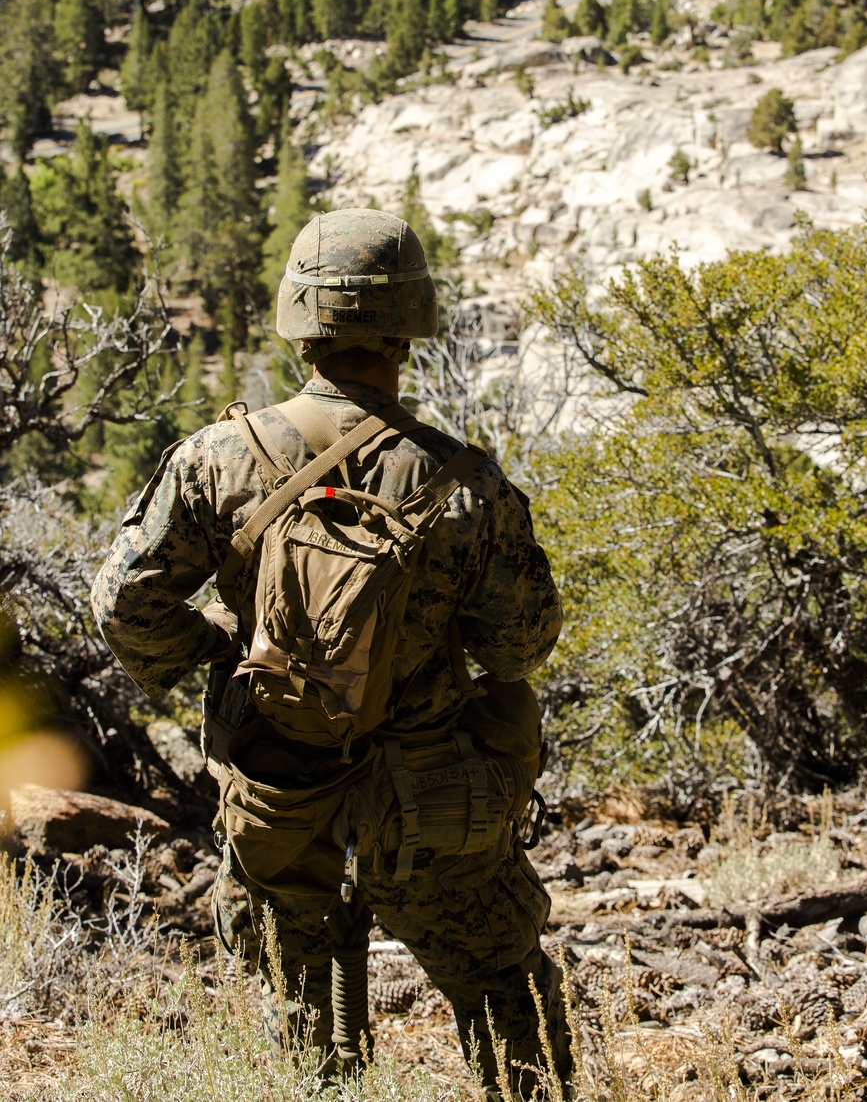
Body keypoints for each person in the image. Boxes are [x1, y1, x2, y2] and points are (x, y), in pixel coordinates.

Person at [91, 209, 568, 1097]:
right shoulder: (468, 483)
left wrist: (217, 650)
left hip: (280, 786)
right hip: (434, 795)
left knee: (307, 1003)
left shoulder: (216, 462)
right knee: (505, 989)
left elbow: (125, 606)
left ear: (300, 321)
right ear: (410, 327)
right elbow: (520, 647)